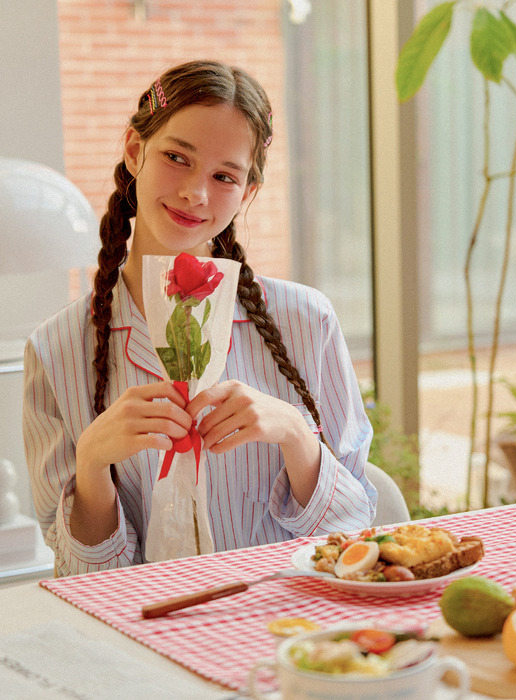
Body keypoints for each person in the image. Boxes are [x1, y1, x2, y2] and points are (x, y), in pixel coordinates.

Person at [23, 60, 376, 577]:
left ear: (247, 193)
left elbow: (356, 533)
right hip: (139, 636)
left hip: (285, 626)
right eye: (176, 157)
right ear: (134, 150)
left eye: (224, 176)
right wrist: (93, 461)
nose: (196, 193)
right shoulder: (56, 351)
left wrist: (297, 436)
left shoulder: (307, 321)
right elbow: (83, 581)